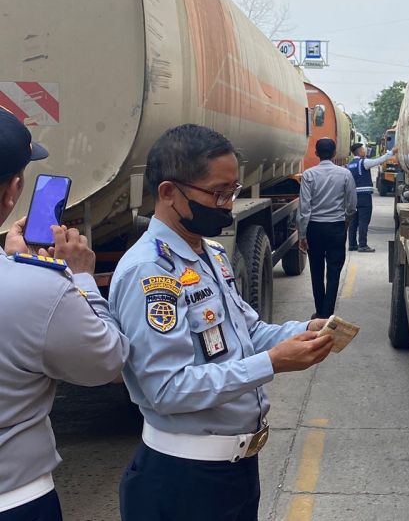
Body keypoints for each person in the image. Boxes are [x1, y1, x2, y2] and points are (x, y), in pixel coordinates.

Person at [109, 124, 335, 521]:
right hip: (183, 482)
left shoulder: (209, 254)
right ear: (168, 193)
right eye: (218, 193)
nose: (229, 205)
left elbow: (246, 332)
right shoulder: (150, 272)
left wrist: (302, 332)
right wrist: (273, 363)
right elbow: (166, 388)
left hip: (233, 473)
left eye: (233, 192)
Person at [0, 108, 129, 521]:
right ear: (12, 191)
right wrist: (81, 280)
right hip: (16, 501)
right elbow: (106, 362)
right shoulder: (39, 289)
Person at [297, 137, 356, 319]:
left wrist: (302, 234)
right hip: (336, 228)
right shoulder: (345, 174)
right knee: (334, 271)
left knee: (316, 270)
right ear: (334, 153)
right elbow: (352, 204)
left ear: (316, 153)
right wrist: (345, 221)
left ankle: (320, 311)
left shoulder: (308, 174)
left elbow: (304, 207)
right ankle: (327, 313)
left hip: (315, 228)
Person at [347, 142, 394, 253]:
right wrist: (391, 153)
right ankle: (362, 245)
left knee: (353, 222)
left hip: (353, 197)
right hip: (364, 197)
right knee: (364, 221)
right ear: (359, 151)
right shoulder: (364, 162)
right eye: (363, 149)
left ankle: (352, 244)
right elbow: (378, 161)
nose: (365, 151)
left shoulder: (350, 164)